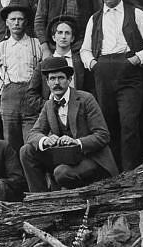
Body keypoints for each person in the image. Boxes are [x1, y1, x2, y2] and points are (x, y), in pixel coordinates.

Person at [80, 0, 143, 170]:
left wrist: (135, 60)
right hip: (103, 72)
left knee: (129, 123)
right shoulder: (95, 18)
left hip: (129, 72)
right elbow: (85, 50)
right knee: (107, 124)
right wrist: (93, 65)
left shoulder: (137, 14)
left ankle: (129, 171)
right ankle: (111, 173)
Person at [20, 57, 118, 192]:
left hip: (90, 158)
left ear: (69, 80)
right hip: (65, 158)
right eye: (52, 79)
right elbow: (33, 133)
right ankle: (40, 198)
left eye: (61, 78)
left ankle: (85, 195)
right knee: (26, 151)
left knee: (61, 173)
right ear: (47, 82)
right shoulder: (48, 105)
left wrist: (77, 142)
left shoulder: (86, 99)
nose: (56, 83)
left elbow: (103, 135)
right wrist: (45, 140)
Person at [0, 3, 42, 148]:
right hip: (9, 99)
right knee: (11, 142)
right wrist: (2, 84)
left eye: (20, 19)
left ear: (26, 22)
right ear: (7, 23)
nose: (16, 23)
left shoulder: (37, 44)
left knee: (32, 141)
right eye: (12, 19)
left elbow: (46, 70)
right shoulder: (1, 47)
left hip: (32, 96)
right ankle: (14, 171)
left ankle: (31, 170)